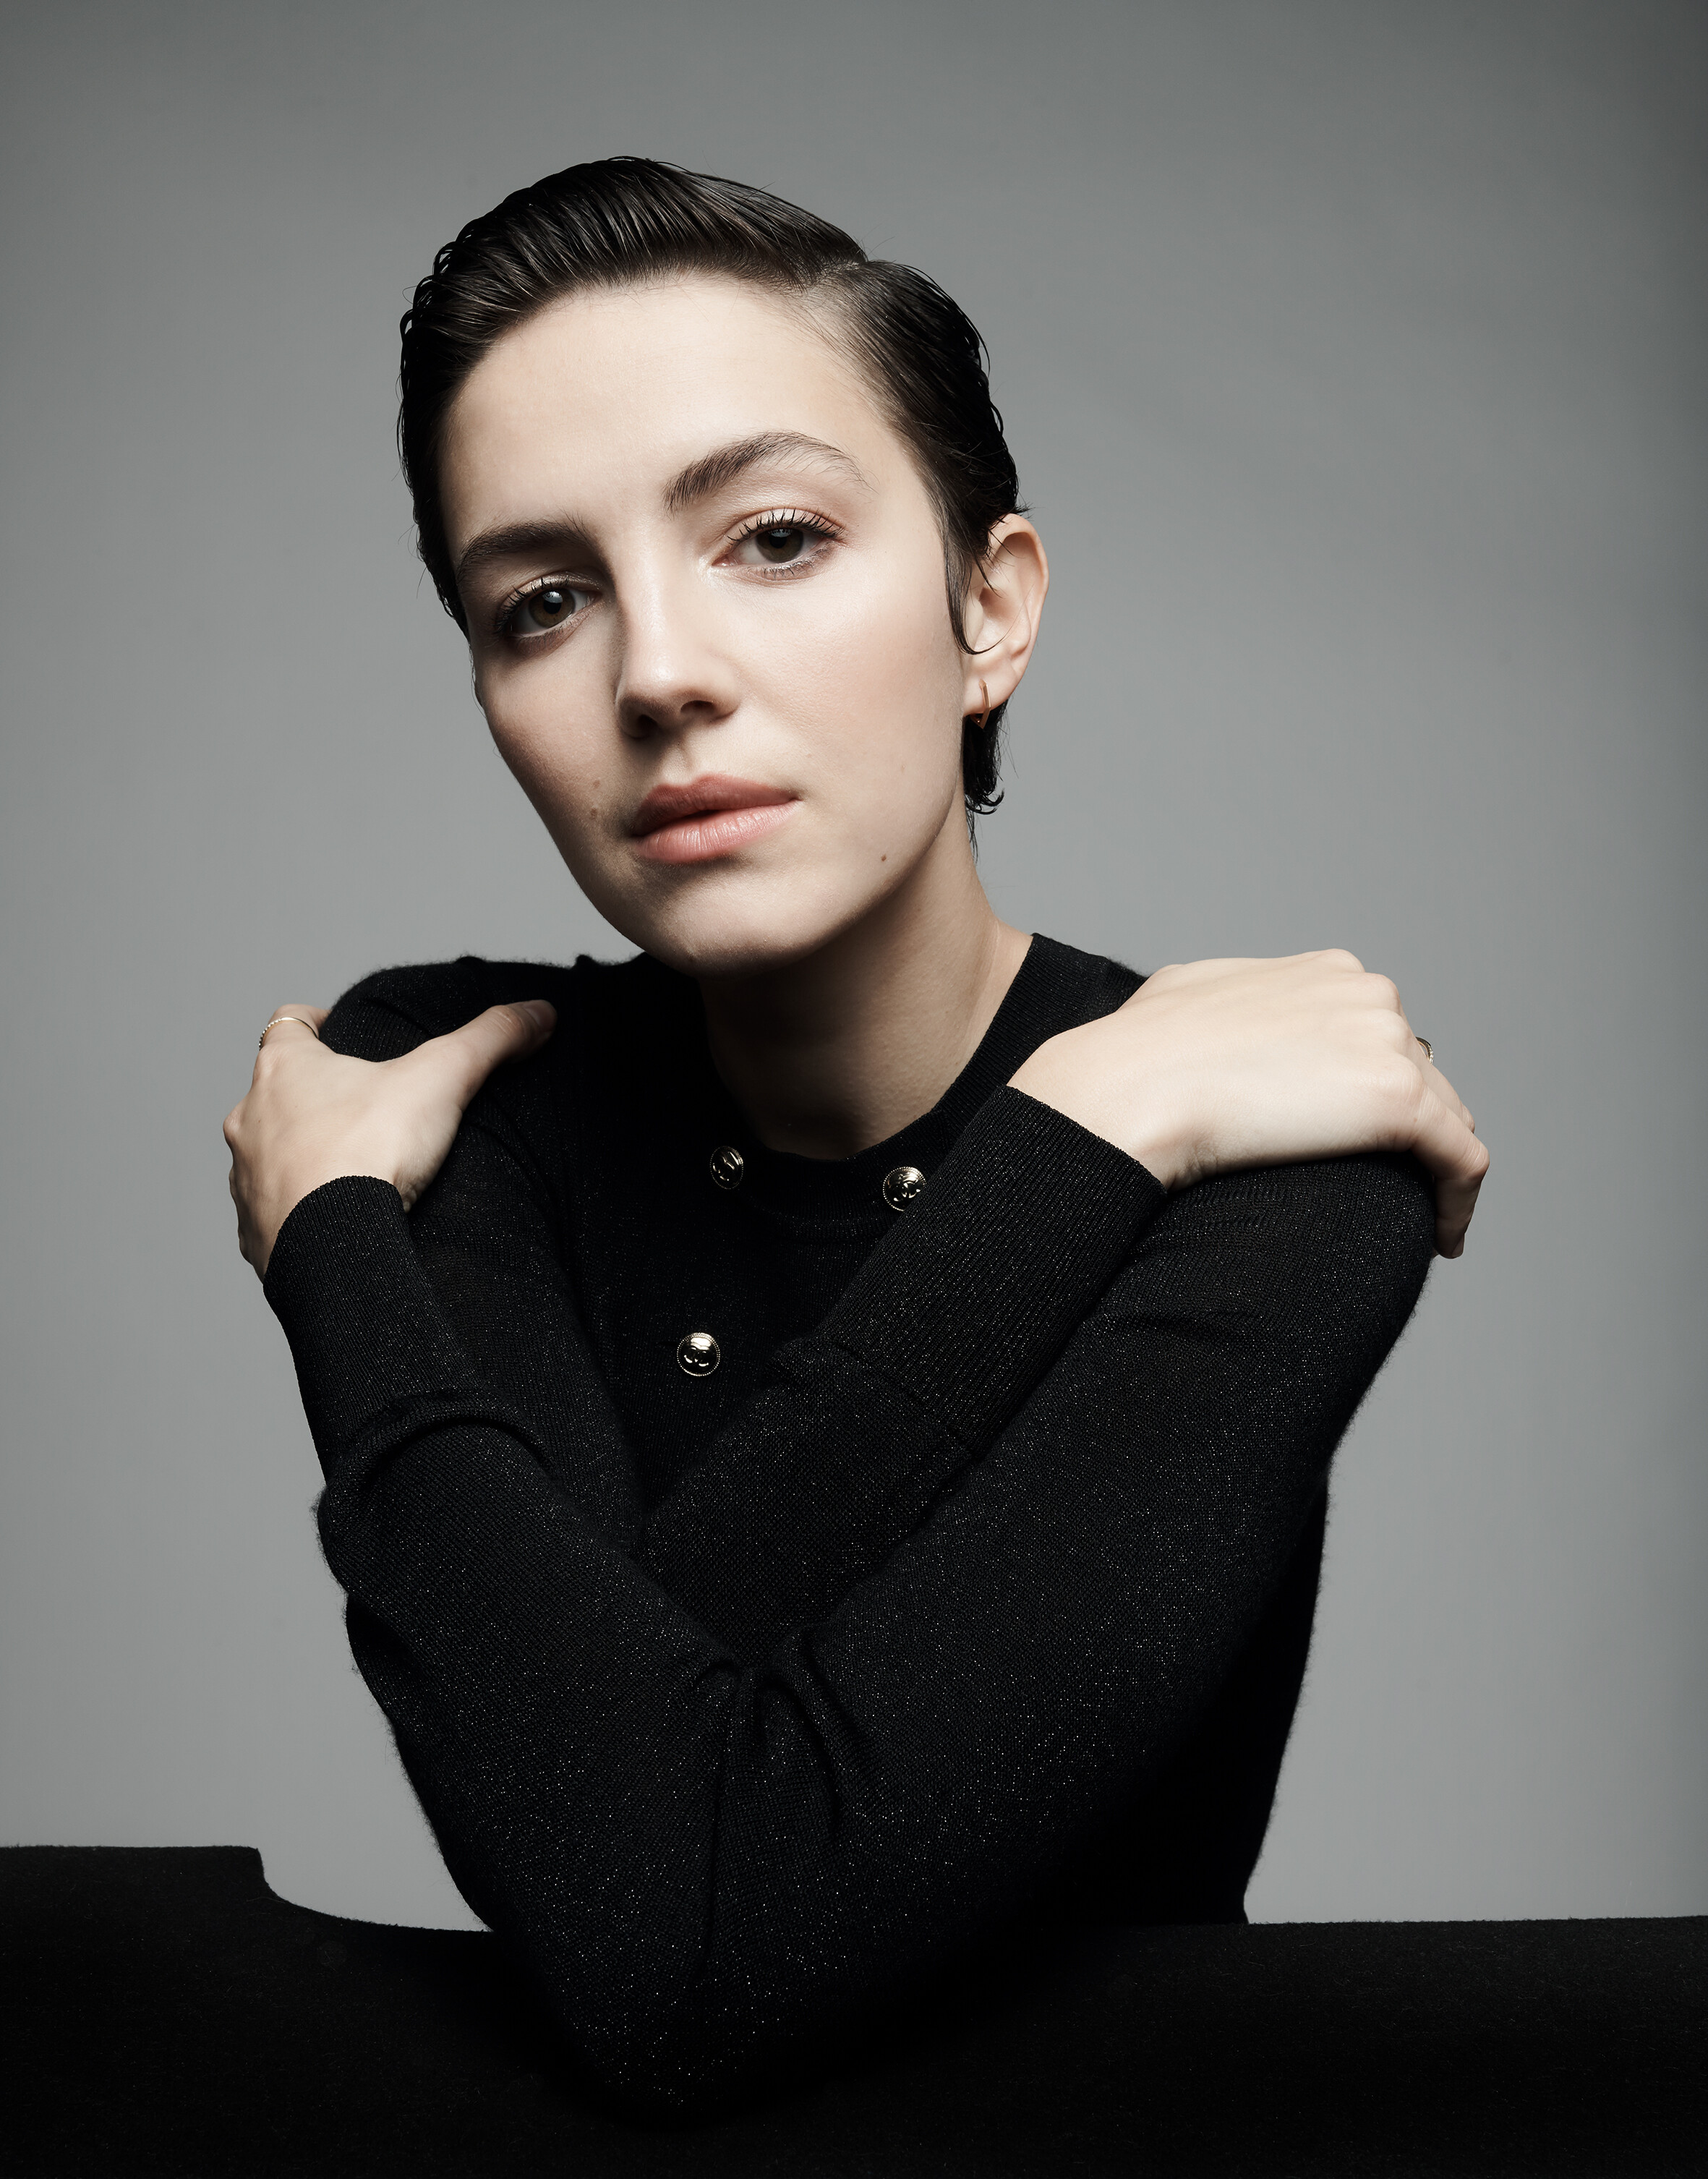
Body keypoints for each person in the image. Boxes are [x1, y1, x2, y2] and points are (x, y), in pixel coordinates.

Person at [223, 158, 1487, 2114]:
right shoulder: (440, 1081)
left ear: (990, 607)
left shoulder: (1279, 1129)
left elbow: (682, 1931)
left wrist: (338, 1245)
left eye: (776, 537)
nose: (658, 673)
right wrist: (332, 1239)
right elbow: (637, 1883)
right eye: (541, 601)